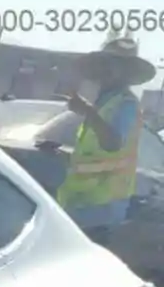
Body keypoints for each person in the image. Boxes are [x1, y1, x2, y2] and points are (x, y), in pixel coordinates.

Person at [56, 36, 156, 242]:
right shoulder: (103, 101)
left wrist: (87, 111)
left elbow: (112, 143)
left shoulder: (126, 103)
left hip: (102, 208)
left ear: (128, 73)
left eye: (118, 65)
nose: (108, 69)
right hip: (82, 203)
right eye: (107, 63)